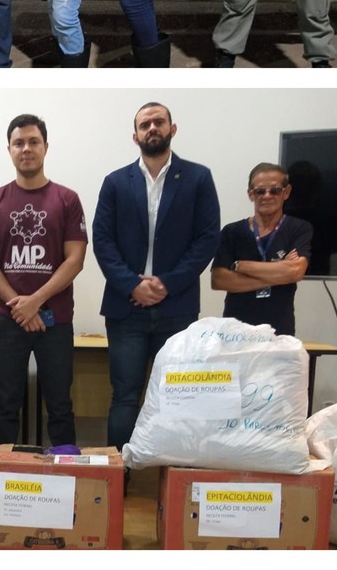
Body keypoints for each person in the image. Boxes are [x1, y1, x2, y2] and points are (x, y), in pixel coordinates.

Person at [92, 102, 220, 450]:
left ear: (172, 128)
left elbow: (207, 237)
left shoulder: (198, 177)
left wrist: (167, 283)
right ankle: (119, 479)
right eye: (145, 124)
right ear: (135, 136)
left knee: (178, 399)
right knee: (125, 396)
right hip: (126, 308)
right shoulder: (116, 182)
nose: (152, 128)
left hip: (176, 308)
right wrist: (133, 284)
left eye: (158, 122)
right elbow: (102, 240)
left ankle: (171, 483)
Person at [0, 114, 87, 445]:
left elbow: (75, 260)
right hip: (7, 321)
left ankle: (67, 476)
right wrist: (19, 306)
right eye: (19, 143)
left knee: (61, 406)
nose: (26, 148)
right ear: (9, 150)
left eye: (33, 141)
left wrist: (35, 302)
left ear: (46, 147)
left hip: (56, 320)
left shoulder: (67, 199)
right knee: (7, 405)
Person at [210, 162, 311, 335]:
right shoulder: (231, 232)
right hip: (235, 332)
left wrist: (241, 266)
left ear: (286, 192)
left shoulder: (299, 228)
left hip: (279, 331)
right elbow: (219, 280)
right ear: (250, 194)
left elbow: (295, 271)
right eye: (260, 191)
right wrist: (279, 273)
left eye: (275, 190)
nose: (267, 196)